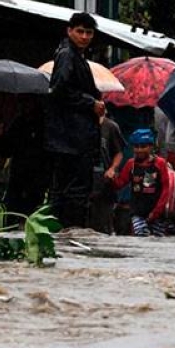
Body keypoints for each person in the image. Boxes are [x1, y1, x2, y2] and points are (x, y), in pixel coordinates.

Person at [44, 12, 104, 228]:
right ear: (70, 31)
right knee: (73, 189)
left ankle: (61, 229)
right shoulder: (68, 55)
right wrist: (90, 103)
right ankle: (69, 230)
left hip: (71, 137)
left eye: (89, 32)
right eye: (80, 31)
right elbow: (60, 89)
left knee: (65, 188)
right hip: (71, 137)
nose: (85, 36)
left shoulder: (75, 56)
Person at [0, 95, 50, 218]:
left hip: (37, 176)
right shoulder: (19, 123)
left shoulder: (43, 124)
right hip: (21, 175)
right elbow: (6, 150)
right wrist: (0, 136)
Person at [108, 128, 171, 236]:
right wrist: (111, 177)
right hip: (138, 212)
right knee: (140, 235)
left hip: (158, 213)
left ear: (151, 146)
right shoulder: (131, 164)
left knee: (159, 241)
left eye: (143, 146)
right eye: (136, 147)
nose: (139, 150)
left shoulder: (160, 163)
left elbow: (166, 189)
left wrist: (157, 211)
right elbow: (120, 183)